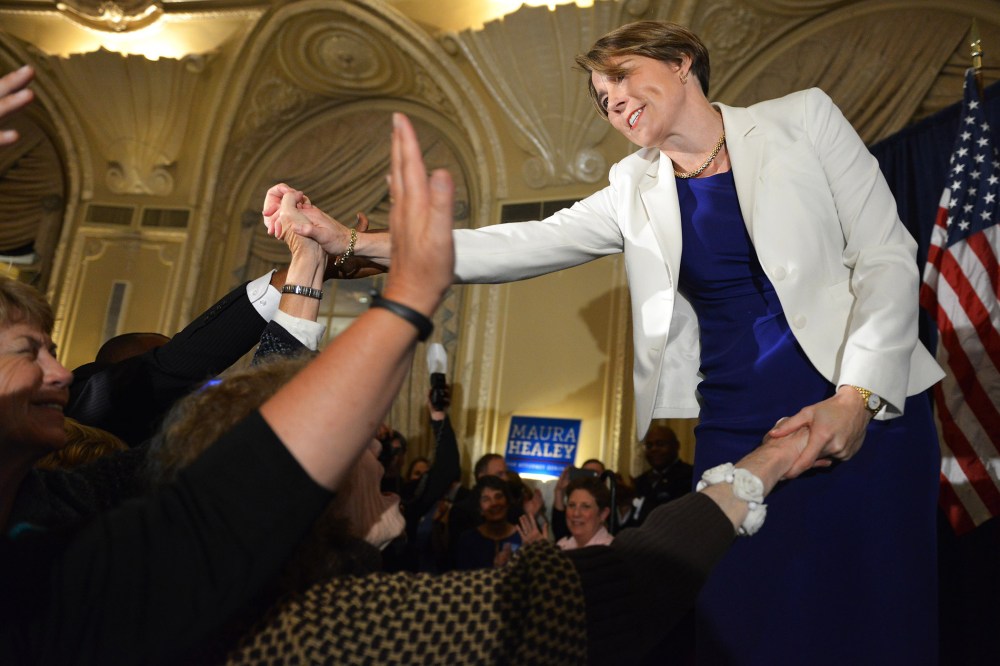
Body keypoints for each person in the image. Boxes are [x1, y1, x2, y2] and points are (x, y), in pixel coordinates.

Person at [263, 20, 944, 664]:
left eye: (621, 77)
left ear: (682, 64)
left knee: (873, 614)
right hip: (737, 423)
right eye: (601, 98)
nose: (612, 100)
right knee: (748, 623)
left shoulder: (804, 118)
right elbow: (516, 242)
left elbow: (886, 256)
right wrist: (349, 241)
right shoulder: (632, 186)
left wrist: (856, 399)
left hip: (865, 403)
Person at [1, 110, 455, 663]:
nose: (61, 373)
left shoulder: (68, 507)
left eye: (52, 350)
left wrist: (306, 268)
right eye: (30, 352)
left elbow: (236, 447)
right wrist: (405, 304)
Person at [627, 422, 693, 526]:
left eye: (660, 444)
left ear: (676, 446)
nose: (654, 449)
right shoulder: (640, 481)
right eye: (649, 446)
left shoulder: (690, 476)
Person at [453, 475, 522, 570]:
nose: (494, 503)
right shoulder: (468, 540)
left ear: (507, 502)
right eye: (486, 499)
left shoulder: (522, 537)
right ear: (480, 509)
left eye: (498, 496)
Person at [556, 476, 614, 550]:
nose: (576, 513)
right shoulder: (562, 545)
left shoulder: (611, 552)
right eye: (572, 505)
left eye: (585, 507)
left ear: (603, 514)